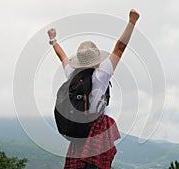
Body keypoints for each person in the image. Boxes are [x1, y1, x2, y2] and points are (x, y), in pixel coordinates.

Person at [48, 9, 140, 169]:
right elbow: (119, 48)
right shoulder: (101, 75)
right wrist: (132, 22)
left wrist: (53, 40)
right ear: (97, 59)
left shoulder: (72, 75)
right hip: (96, 135)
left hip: (79, 135)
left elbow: (62, 56)